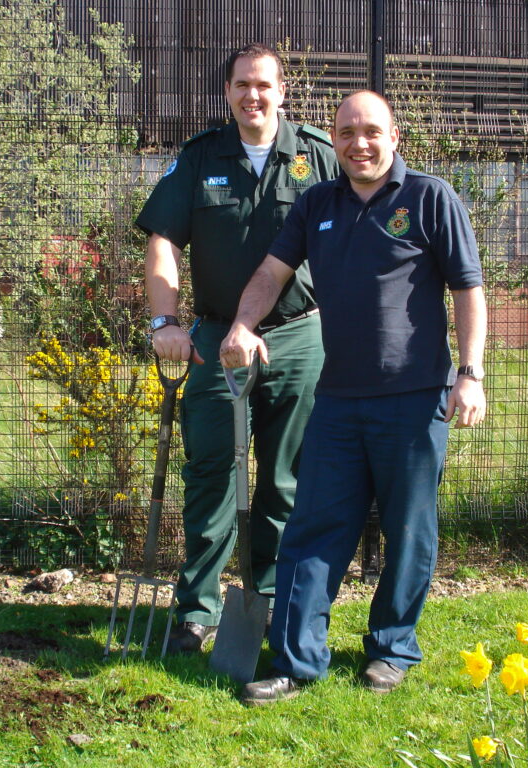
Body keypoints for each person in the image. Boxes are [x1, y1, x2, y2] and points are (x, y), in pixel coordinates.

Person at [219, 90, 487, 703]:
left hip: (415, 399)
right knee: (313, 528)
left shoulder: (430, 198)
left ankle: (392, 649)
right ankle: (295, 660)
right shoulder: (317, 203)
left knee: (408, 530)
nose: (358, 143)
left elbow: (469, 291)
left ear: (395, 137)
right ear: (333, 141)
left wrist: (470, 374)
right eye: (345, 133)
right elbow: (270, 273)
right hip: (337, 401)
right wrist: (243, 325)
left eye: (371, 131)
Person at [135, 43, 339, 654]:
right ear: (227, 93)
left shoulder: (319, 156)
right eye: (243, 85)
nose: (254, 95)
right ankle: (196, 609)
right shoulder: (200, 158)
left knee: (285, 480)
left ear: (283, 93)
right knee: (210, 476)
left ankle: (272, 601)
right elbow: (164, 242)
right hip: (213, 342)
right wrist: (165, 322)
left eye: (265, 85)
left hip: (299, 336)